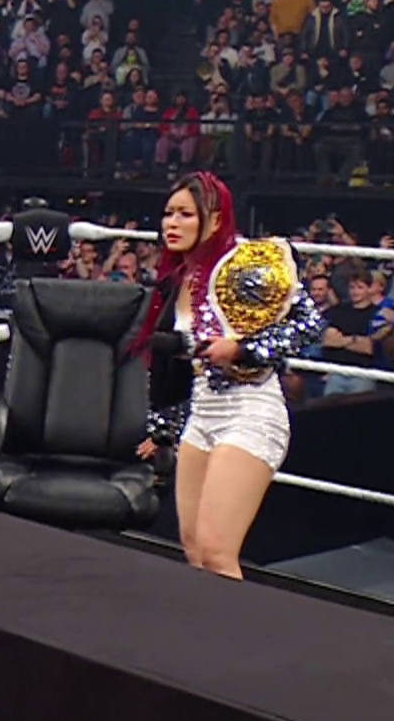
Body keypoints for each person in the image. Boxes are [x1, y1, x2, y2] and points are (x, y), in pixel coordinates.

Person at [135, 171, 323, 580]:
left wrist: (242, 349)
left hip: (251, 410)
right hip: (201, 415)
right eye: (168, 213)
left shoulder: (246, 264)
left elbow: (309, 326)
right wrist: (163, 428)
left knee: (217, 552)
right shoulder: (177, 279)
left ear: (215, 219)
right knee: (195, 550)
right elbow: (176, 360)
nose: (172, 223)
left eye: (186, 214)